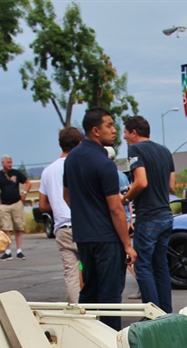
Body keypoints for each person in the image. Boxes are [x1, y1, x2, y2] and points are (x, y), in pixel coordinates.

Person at [63, 108, 136, 329]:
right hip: (107, 238)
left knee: (89, 291)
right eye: (109, 125)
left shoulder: (72, 158)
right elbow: (116, 209)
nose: (114, 130)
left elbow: (67, 195)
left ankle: (87, 335)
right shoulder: (104, 164)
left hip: (84, 236)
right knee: (110, 295)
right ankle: (111, 340)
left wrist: (85, 212)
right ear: (95, 130)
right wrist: (127, 245)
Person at [124, 115, 176, 313]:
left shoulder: (135, 150)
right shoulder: (165, 151)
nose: (124, 137)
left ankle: (152, 314)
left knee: (143, 265)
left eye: (125, 133)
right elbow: (172, 185)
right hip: (166, 214)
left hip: (148, 215)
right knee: (160, 265)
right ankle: (166, 312)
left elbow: (141, 182)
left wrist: (125, 198)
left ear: (134, 132)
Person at [38, 126, 83, 302]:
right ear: (79, 143)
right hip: (83, 225)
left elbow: (42, 205)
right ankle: (94, 308)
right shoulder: (78, 165)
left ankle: (76, 309)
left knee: (71, 273)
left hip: (62, 227)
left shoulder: (48, 171)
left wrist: (57, 204)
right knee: (88, 270)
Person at [0, 154, 29, 260]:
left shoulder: (16, 173)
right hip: (4, 205)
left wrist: (24, 193)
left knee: (19, 227)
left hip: (16, 203)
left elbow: (28, 182)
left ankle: (19, 251)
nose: (10, 164)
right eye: (8, 162)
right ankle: (7, 251)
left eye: (11, 162)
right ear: (2, 163)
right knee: (6, 228)